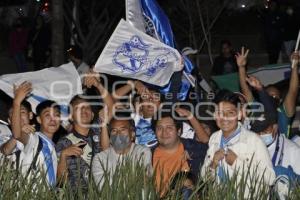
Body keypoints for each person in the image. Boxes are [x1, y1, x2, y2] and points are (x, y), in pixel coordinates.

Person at [201, 90, 275, 197]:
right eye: (220, 113)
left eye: (230, 113)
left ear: (239, 115)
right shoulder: (214, 138)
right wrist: (214, 163)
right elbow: (205, 179)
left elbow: (270, 178)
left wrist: (236, 163)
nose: (224, 117)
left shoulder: (253, 140)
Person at [56, 71, 114, 190]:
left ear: (93, 115)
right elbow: (60, 182)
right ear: (71, 116)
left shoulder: (99, 129)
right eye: (78, 108)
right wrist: (63, 156)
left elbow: (111, 106)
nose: (84, 111)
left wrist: (98, 85)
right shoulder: (64, 143)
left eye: (87, 107)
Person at [237, 47, 299, 138]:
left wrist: (295, 67)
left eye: (274, 96)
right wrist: (241, 67)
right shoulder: (257, 108)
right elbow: (245, 88)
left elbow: (293, 90)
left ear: (280, 100)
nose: (270, 98)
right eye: (268, 95)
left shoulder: (283, 112)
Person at [152, 109, 208, 198]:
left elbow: (210, 145)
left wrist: (190, 116)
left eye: (169, 128)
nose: (164, 132)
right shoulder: (148, 155)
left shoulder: (193, 149)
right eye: (159, 128)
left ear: (179, 131)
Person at [92, 111, 152, 190]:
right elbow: (104, 188)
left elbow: (143, 181)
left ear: (132, 134)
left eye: (123, 130)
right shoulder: (100, 159)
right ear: (110, 137)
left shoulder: (142, 152)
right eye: (114, 131)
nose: (118, 134)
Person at [13, 95, 60, 186]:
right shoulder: (33, 138)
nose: (53, 119)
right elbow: (17, 135)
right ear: (39, 119)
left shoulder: (55, 148)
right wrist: (17, 102)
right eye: (47, 115)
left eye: (56, 115)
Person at [0, 90, 35, 168]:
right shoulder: (6, 137)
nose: (18, 116)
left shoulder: (39, 137)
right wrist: (18, 133)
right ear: (9, 120)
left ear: (30, 115)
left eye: (22, 112)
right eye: (13, 113)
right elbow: (6, 150)